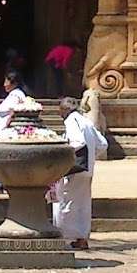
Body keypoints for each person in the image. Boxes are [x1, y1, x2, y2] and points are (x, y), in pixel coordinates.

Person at [53, 97, 107, 250]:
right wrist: (91, 158)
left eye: (60, 110)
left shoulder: (72, 120)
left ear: (66, 110)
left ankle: (64, 237)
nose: (59, 114)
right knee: (83, 204)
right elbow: (103, 144)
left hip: (74, 170)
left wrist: (62, 154)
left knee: (66, 202)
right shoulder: (86, 121)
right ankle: (81, 238)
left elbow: (78, 142)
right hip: (87, 169)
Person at [0, 71, 32, 193]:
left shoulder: (16, 95)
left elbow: (15, 110)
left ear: (14, 83)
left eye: (6, 81)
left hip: (6, 132)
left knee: (1, 158)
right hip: (1, 131)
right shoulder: (13, 95)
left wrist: (8, 124)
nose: (4, 84)